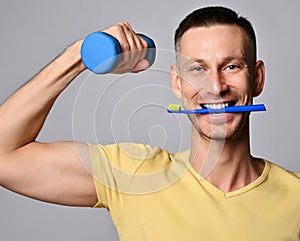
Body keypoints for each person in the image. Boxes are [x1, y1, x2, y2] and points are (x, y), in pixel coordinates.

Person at [0, 5, 299, 241]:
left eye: (231, 66)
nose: (215, 86)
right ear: (177, 83)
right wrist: (79, 55)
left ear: (257, 78)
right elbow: (4, 157)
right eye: (197, 69)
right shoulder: (135, 175)